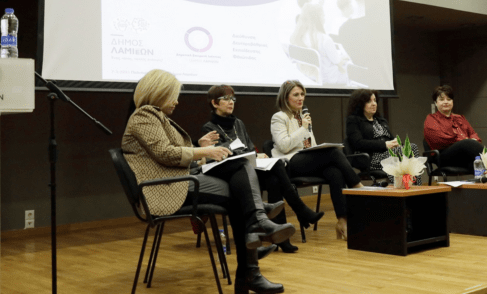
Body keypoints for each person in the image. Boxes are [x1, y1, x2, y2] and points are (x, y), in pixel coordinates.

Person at [122, 69, 295, 294]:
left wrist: (199, 148)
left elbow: (168, 153)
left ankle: (255, 229)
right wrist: (203, 151)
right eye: (172, 95)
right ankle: (252, 254)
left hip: (179, 180)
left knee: (240, 167)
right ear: (157, 93)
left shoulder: (156, 117)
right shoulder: (144, 116)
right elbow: (165, 153)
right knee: (240, 189)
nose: (176, 101)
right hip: (166, 188)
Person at [201, 84, 324, 253]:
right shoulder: (209, 128)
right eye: (226, 99)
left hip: (249, 168)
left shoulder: (238, 123)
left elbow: (250, 147)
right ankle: (300, 211)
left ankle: (282, 236)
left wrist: (255, 155)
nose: (231, 102)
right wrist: (246, 154)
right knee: (276, 170)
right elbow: (220, 154)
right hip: (233, 174)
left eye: (233, 99)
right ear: (214, 103)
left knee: (275, 177)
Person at [270, 80, 364, 240]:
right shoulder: (279, 117)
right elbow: (284, 146)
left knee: (335, 172)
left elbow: (310, 145)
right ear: (285, 98)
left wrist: (315, 146)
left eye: (302, 94)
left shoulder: (303, 117)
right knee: (333, 153)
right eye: (296, 95)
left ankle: (342, 222)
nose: (301, 98)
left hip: (306, 160)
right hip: (289, 162)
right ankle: (358, 187)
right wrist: (303, 128)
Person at [346, 89, 422, 185]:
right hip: (370, 158)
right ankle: (400, 185)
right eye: (369, 101)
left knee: (411, 147)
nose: (374, 104)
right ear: (360, 103)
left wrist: (397, 143)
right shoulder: (353, 120)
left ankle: (416, 185)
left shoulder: (381, 120)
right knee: (397, 154)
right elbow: (358, 143)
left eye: (375, 100)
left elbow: (391, 139)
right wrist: (385, 145)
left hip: (388, 154)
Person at [423, 85, 483, 170]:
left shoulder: (460, 118)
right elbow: (440, 139)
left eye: (449, 99)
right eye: (441, 99)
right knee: (468, 144)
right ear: (435, 103)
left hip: (463, 155)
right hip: (443, 156)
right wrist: (464, 141)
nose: (446, 102)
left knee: (479, 163)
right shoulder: (431, 119)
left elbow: (474, 135)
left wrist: (471, 140)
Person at [290, 2, 350, 85]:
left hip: (310, 76)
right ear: (319, 18)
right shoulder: (325, 39)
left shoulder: (298, 38)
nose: (324, 17)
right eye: (323, 15)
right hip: (330, 79)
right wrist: (345, 57)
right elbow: (337, 61)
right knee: (349, 65)